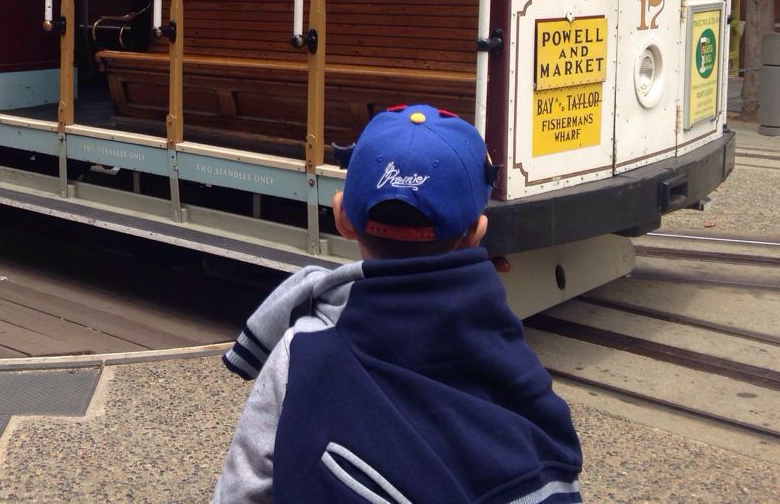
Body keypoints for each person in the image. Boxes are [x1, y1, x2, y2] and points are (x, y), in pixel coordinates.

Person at [212, 104, 583, 503]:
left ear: (341, 216)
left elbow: (241, 490)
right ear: (477, 231)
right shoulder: (510, 356)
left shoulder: (301, 352)